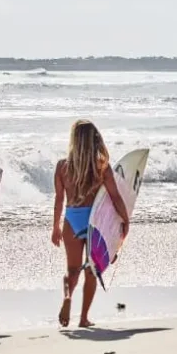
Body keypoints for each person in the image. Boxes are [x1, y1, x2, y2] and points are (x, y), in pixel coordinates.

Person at [52, 119, 129, 328]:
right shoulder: (101, 166)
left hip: (72, 220)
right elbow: (114, 197)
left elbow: (59, 200)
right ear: (94, 140)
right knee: (92, 271)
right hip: (95, 221)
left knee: (72, 270)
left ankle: (67, 299)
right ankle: (84, 318)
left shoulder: (62, 167)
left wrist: (55, 227)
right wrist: (125, 220)